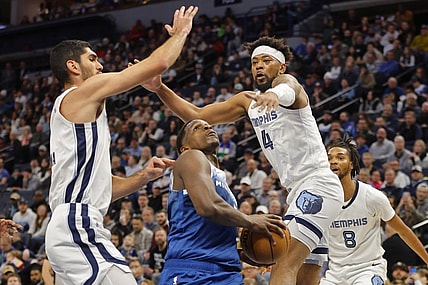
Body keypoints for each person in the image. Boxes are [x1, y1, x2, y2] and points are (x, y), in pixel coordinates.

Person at [144, 36, 344, 285]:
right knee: (307, 273)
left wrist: (275, 94)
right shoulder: (248, 102)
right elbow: (196, 114)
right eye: (254, 62)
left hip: (317, 185)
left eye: (267, 61)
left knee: (283, 261)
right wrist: (159, 89)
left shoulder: (287, 87)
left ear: (281, 66)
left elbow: (289, 87)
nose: (259, 66)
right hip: (297, 192)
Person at [44, 6, 198, 285]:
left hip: (70, 223)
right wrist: (182, 33)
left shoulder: (76, 113)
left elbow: (102, 188)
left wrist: (143, 177)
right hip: (77, 224)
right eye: (92, 59)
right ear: (73, 66)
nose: (100, 65)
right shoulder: (81, 92)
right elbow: (158, 64)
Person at [158, 119, 285, 284]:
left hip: (227, 271)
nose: (207, 126)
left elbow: (212, 223)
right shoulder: (190, 156)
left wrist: (244, 250)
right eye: (196, 128)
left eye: (208, 125)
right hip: (191, 270)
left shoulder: (221, 181)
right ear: (185, 148)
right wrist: (250, 221)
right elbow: (207, 207)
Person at [322, 137, 428, 284]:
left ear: (352, 164)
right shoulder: (322, 200)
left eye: (340, 157)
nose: (333, 161)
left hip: (368, 269)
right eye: (329, 158)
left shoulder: (372, 197)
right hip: (335, 272)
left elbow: (403, 231)